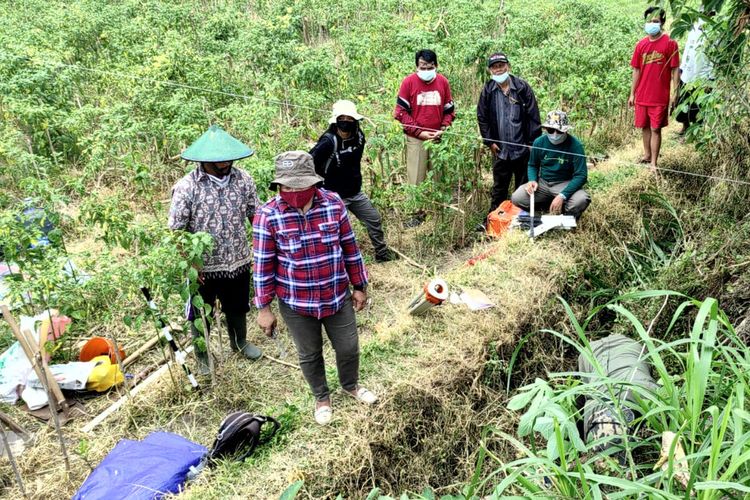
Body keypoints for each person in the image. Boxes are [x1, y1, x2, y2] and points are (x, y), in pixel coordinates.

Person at [253, 151, 377, 425]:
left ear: (313, 183)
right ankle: (321, 397)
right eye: (287, 187)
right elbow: (262, 265)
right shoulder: (268, 215)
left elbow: (350, 247)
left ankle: (350, 385)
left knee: (348, 348)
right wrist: (263, 307)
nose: (294, 192)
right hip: (297, 302)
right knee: (309, 353)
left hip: (336, 295)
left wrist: (360, 285)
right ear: (279, 186)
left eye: (300, 186)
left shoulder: (333, 204)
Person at [168, 125, 261, 374]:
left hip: (238, 258)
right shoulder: (187, 187)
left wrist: (263, 249)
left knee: (238, 305)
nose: (225, 164)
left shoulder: (244, 180)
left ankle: (239, 342)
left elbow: (257, 216)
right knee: (201, 310)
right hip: (203, 265)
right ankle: (202, 354)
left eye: (228, 159)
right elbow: (177, 230)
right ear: (204, 161)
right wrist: (191, 263)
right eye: (219, 161)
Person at [309, 100, 396, 263]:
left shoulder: (359, 136)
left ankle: (382, 253)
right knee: (334, 231)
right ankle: (335, 261)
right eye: (342, 118)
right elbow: (309, 161)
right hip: (332, 195)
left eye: (350, 119)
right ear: (336, 120)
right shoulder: (328, 142)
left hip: (354, 192)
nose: (346, 122)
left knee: (374, 219)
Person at [477, 52, 541, 216]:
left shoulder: (521, 88)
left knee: (523, 187)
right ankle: (494, 219)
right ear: (490, 70)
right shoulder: (488, 90)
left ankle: (521, 219)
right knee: (499, 187)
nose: (498, 70)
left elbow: (534, 116)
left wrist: (531, 143)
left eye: (501, 66)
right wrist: (489, 142)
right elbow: (482, 117)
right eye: (494, 67)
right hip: (500, 150)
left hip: (522, 148)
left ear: (508, 66)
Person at [577, 334, 658, 465]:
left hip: (619, 351)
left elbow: (580, 406)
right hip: (629, 348)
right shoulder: (652, 395)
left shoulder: (592, 408)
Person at [394, 49, 456, 189]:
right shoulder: (408, 82)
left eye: (430, 67)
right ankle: (416, 210)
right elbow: (400, 112)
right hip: (416, 138)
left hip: (437, 137)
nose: (426, 70)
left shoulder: (443, 82)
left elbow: (449, 110)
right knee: (416, 179)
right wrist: (419, 132)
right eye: (423, 67)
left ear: (436, 66)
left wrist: (443, 128)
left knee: (439, 178)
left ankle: (438, 208)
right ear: (417, 67)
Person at [511, 111, 591, 219]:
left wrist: (563, 195)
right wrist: (532, 180)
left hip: (564, 183)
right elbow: (532, 165)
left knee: (581, 200)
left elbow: (581, 175)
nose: (554, 134)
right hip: (543, 183)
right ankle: (543, 208)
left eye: (558, 131)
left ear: (565, 130)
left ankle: (567, 217)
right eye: (550, 130)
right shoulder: (539, 142)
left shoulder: (575, 146)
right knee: (517, 198)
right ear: (546, 129)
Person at [628, 6, 680, 171]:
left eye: (655, 21)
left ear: (662, 23)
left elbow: (675, 70)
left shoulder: (670, 44)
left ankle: (654, 164)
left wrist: (675, 93)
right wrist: (632, 94)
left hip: (659, 96)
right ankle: (646, 155)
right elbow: (636, 70)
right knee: (644, 126)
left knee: (655, 128)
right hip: (642, 95)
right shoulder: (640, 45)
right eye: (649, 21)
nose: (652, 24)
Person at [676, 11, 715, 135]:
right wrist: (682, 68)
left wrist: (711, 78)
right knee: (683, 102)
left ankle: (697, 131)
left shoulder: (715, 30)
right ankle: (685, 126)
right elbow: (688, 48)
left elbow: (715, 57)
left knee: (699, 105)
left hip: (704, 75)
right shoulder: (693, 27)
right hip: (688, 73)